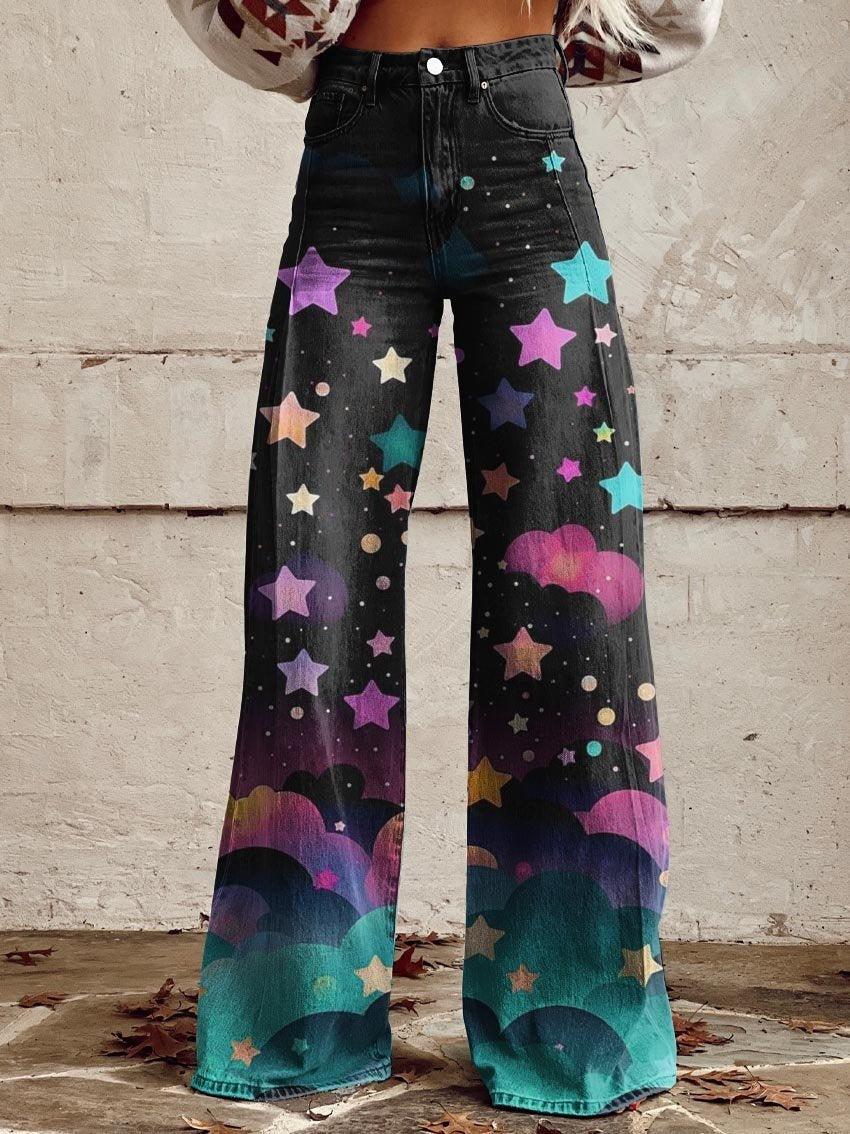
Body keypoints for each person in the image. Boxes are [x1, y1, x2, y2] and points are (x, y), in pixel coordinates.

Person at [164, 0, 722, 1117]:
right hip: (354, 154)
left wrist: (538, 53)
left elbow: (679, 14)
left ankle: (573, 1026)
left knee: (573, 606)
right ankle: (296, 1022)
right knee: (311, 602)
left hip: (525, 148)